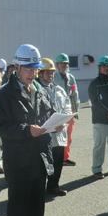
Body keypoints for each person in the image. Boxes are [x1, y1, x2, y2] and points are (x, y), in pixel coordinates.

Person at [0, 44, 56, 216]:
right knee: (18, 204)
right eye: (29, 69)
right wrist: (28, 130)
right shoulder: (4, 95)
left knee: (37, 202)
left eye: (35, 69)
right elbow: (3, 127)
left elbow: (48, 112)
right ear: (17, 68)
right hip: (18, 159)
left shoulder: (38, 89)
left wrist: (55, 123)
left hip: (39, 156)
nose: (33, 73)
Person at [37, 58, 71, 196]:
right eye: (47, 72)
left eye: (52, 72)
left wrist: (64, 121)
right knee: (43, 164)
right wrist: (51, 126)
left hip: (60, 133)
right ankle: (38, 190)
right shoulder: (35, 90)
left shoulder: (59, 90)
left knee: (57, 162)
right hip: (44, 135)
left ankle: (53, 186)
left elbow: (67, 107)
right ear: (39, 74)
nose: (50, 75)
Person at [55, 53, 79, 166]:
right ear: (57, 65)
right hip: (57, 112)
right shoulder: (53, 76)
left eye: (66, 64)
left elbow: (75, 95)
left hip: (69, 112)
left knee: (68, 138)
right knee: (57, 137)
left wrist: (75, 111)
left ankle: (65, 158)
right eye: (62, 64)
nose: (64, 66)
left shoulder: (71, 78)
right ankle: (56, 158)